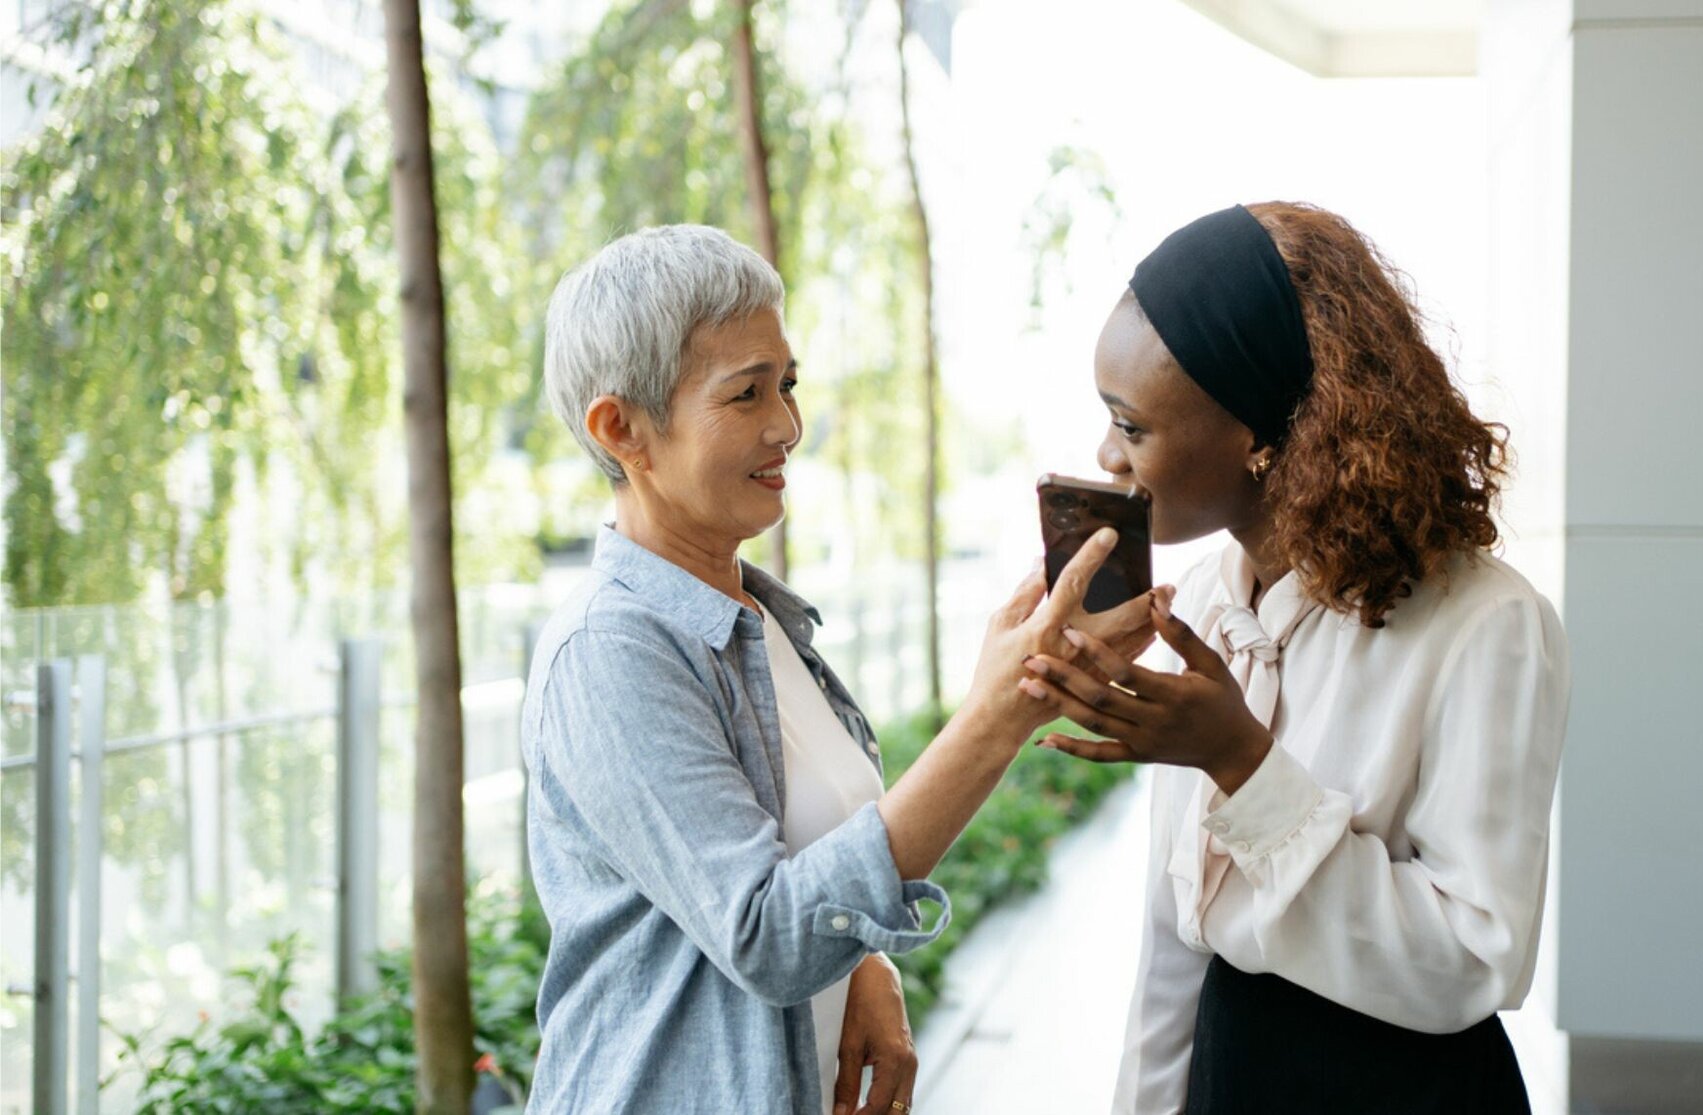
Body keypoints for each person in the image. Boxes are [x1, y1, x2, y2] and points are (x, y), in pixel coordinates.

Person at [520, 225, 1154, 1115]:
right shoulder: (609, 652)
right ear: (621, 428)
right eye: (746, 393)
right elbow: (766, 935)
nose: (787, 426)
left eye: (787, 384)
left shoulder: (756, 617)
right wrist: (1000, 713)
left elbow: (803, 859)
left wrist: (863, 961)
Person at [1019, 202, 1571, 1112]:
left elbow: (1477, 960)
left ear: (1258, 440)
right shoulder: (1200, 602)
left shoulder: (1488, 625)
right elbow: (1173, 941)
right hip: (1226, 1075)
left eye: (1132, 425)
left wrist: (1242, 762)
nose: (1104, 454)